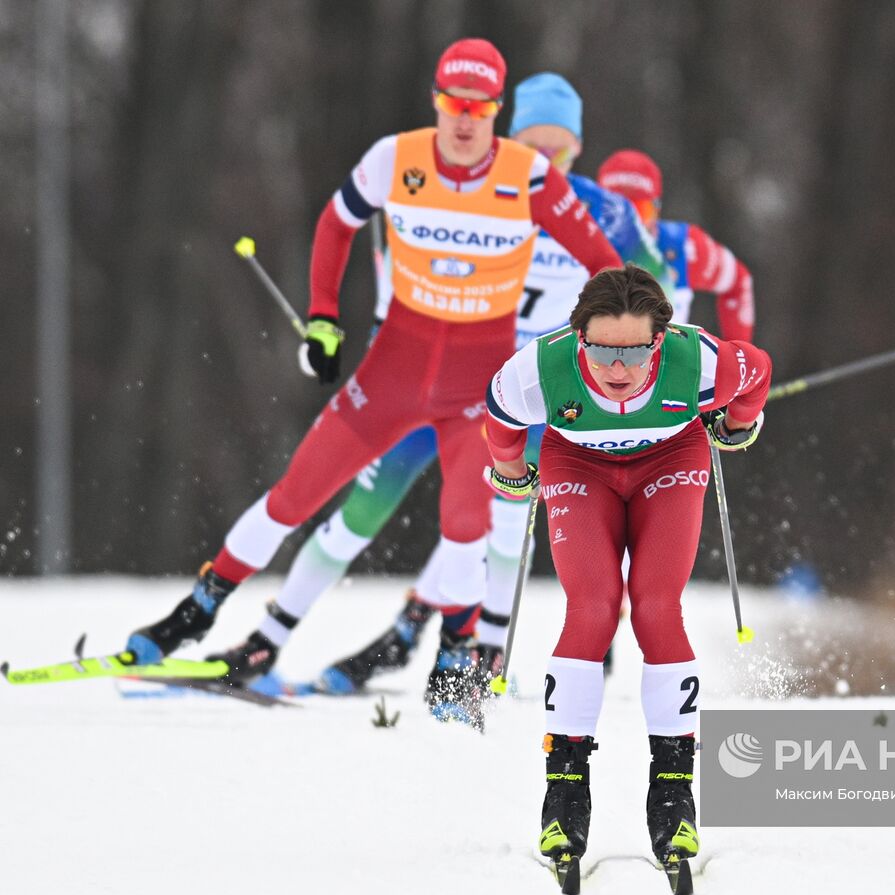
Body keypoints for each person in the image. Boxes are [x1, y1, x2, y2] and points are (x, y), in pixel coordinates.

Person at [123, 40, 623, 673]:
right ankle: (197, 611)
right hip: (394, 373)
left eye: (480, 107)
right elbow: (336, 224)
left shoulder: (527, 176)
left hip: (480, 387)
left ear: (496, 111)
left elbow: (607, 266)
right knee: (294, 497)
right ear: (436, 102)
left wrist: (613, 349)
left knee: (467, 524)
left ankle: (455, 663)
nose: (465, 121)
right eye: (453, 104)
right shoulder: (395, 159)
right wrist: (325, 319)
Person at [211, 73, 671, 716]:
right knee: (361, 515)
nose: (543, 159)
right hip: (434, 379)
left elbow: (657, 283)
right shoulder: (484, 189)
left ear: (576, 149)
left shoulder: (597, 210)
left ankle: (479, 662)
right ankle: (268, 640)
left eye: (558, 149)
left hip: (522, 395)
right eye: (531, 143)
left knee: (502, 526)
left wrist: (661, 358)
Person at [484, 265, 770, 873]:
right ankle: (564, 790)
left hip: (671, 458)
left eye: (637, 351)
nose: (619, 368)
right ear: (578, 337)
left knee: (656, 603)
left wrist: (737, 424)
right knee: (591, 604)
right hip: (576, 463)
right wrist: (511, 470)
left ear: (660, 340)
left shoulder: (701, 362)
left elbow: (758, 372)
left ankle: (674, 793)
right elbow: (500, 418)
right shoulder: (539, 368)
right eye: (602, 350)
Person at [597, 148, 755, 342]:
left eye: (641, 211)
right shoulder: (570, 239)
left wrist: (740, 358)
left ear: (657, 208)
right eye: (617, 213)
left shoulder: (685, 248)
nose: (631, 225)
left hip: (667, 368)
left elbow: (738, 282)